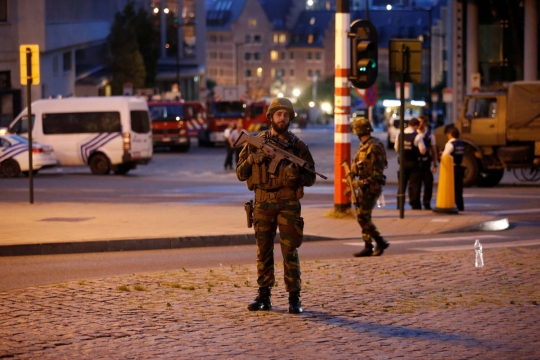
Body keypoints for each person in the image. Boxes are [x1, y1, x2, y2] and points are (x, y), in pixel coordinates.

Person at [236, 97, 316, 314]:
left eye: (286, 115)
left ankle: (294, 296)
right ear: (270, 117)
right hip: (262, 202)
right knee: (263, 250)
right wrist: (253, 160)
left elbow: (311, 178)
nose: (283, 118)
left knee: (290, 250)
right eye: (279, 114)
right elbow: (240, 174)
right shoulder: (257, 141)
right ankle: (264, 295)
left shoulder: (298, 146)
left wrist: (295, 174)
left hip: (288, 203)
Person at [349, 117, 390, 257]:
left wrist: (360, 183)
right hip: (364, 187)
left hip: (372, 187)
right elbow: (360, 164)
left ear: (357, 131)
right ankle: (368, 245)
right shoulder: (365, 145)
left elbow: (377, 175)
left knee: (362, 217)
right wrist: (352, 173)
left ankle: (380, 241)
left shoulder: (374, 147)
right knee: (364, 216)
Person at [394, 118, 426, 210]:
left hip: (403, 164)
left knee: (401, 186)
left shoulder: (400, 134)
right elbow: (422, 151)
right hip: (414, 164)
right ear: (416, 126)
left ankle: (400, 206)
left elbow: (396, 149)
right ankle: (415, 205)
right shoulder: (418, 136)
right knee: (414, 186)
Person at [417, 115, 438, 210]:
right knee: (416, 185)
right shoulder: (414, 134)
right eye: (418, 122)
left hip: (426, 163)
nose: (419, 124)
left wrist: (435, 164)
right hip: (416, 164)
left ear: (425, 123)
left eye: (421, 122)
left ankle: (426, 203)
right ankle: (416, 204)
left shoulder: (430, 135)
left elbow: (434, 151)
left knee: (428, 183)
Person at [442, 127, 465, 211]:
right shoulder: (460, 143)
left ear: (449, 134)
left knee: (452, 189)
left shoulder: (450, 144)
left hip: (452, 168)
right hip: (460, 167)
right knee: (459, 189)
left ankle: (452, 205)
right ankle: (460, 206)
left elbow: (445, 156)